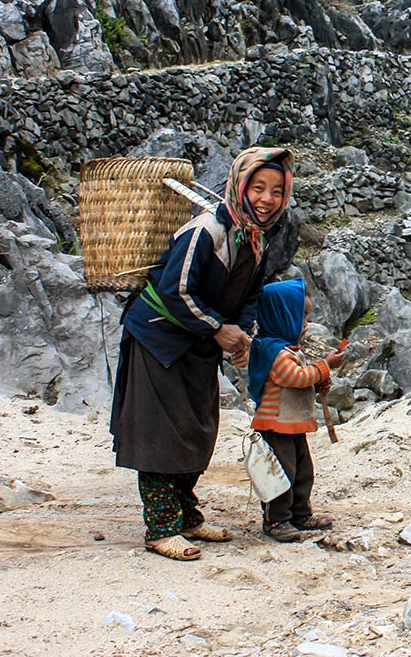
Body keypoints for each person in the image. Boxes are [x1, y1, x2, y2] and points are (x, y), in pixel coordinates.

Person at [110, 146, 294, 560]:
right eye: (259, 188)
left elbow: (249, 296)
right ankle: (160, 528)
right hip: (158, 339)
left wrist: (241, 336)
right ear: (240, 187)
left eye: (277, 191)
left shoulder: (255, 239)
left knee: (197, 429)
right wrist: (218, 329)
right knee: (162, 434)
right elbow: (176, 290)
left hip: (195, 345)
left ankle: (187, 517)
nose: (267, 198)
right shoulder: (204, 231)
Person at [248, 277, 345, 542]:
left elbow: (298, 384)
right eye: (301, 318)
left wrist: (318, 382)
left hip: (291, 424)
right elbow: (295, 378)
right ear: (282, 316)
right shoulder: (275, 351)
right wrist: (324, 366)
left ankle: (300, 513)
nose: (305, 326)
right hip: (276, 425)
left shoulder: (289, 350)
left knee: (303, 471)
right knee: (280, 474)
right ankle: (276, 519)